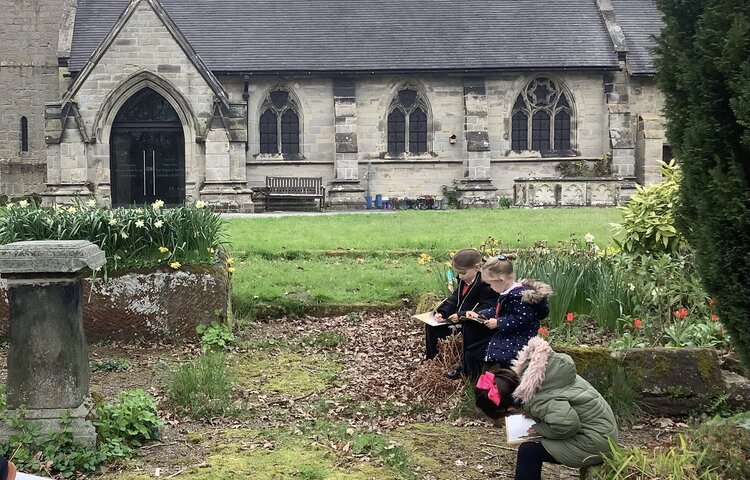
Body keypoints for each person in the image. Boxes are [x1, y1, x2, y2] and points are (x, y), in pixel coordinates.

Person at [475, 337, 619, 480]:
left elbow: (568, 425)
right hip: (602, 432)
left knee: (529, 452)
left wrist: (538, 430)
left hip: (595, 443)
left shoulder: (537, 400)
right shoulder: (542, 376)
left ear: (508, 407)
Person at [465, 254, 552, 368]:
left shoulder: (520, 298)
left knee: (476, 353)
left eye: (491, 284)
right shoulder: (508, 293)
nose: (490, 288)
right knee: (474, 350)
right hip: (509, 335)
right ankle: (477, 377)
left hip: (519, 340)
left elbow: (522, 320)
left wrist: (498, 323)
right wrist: (480, 314)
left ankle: (487, 380)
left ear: (501, 280)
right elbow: (497, 310)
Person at [425, 248, 497, 378]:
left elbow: (488, 308)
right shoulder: (465, 280)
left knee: (469, 330)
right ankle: (433, 360)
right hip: (458, 320)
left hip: (474, 323)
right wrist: (443, 312)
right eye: (458, 273)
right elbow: (454, 299)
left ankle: (465, 368)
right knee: (431, 326)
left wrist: (461, 315)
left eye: (462, 273)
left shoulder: (487, 285)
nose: (459, 276)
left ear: (477, 268)